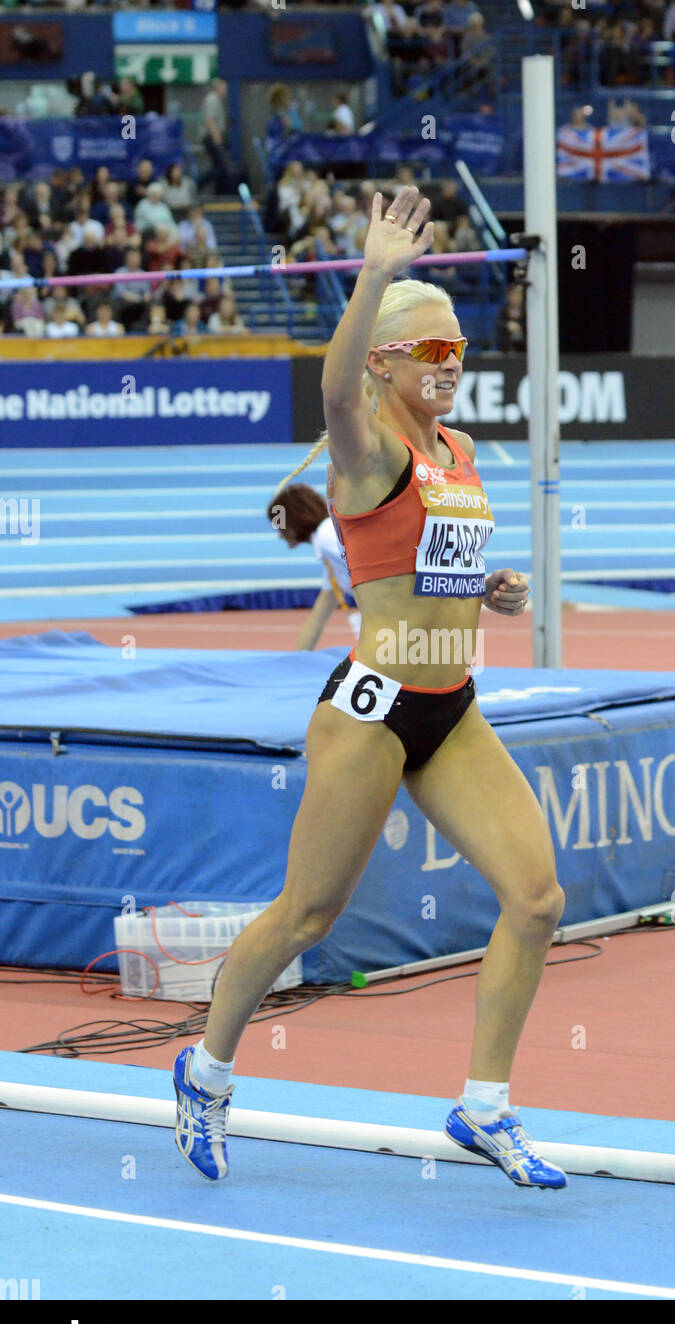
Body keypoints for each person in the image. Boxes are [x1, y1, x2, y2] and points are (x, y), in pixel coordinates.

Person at [172, 184, 567, 1192]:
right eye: (435, 354)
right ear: (390, 361)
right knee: (307, 914)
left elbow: (416, 568)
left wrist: (488, 586)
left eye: (461, 353)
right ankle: (206, 1072)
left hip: (454, 705)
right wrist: (375, 273)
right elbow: (334, 392)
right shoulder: (367, 448)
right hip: (371, 707)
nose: (454, 366)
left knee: (536, 897)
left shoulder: (461, 452)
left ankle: (485, 1108)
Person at [267, 482, 363, 647]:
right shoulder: (330, 559)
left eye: (279, 526)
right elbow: (317, 619)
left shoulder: (327, 537)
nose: (279, 535)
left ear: (292, 521)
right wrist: (297, 660)